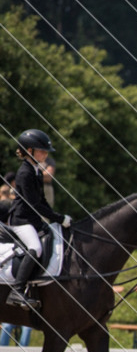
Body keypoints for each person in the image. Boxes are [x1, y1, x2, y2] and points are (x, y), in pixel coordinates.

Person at [7, 129, 72, 309]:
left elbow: (42, 200)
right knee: (35, 247)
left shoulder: (35, 170)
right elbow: (34, 203)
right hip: (21, 220)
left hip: (32, 219)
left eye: (45, 151)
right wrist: (58, 218)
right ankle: (17, 290)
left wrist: (55, 218)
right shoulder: (25, 172)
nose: (44, 154)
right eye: (41, 150)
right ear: (29, 151)